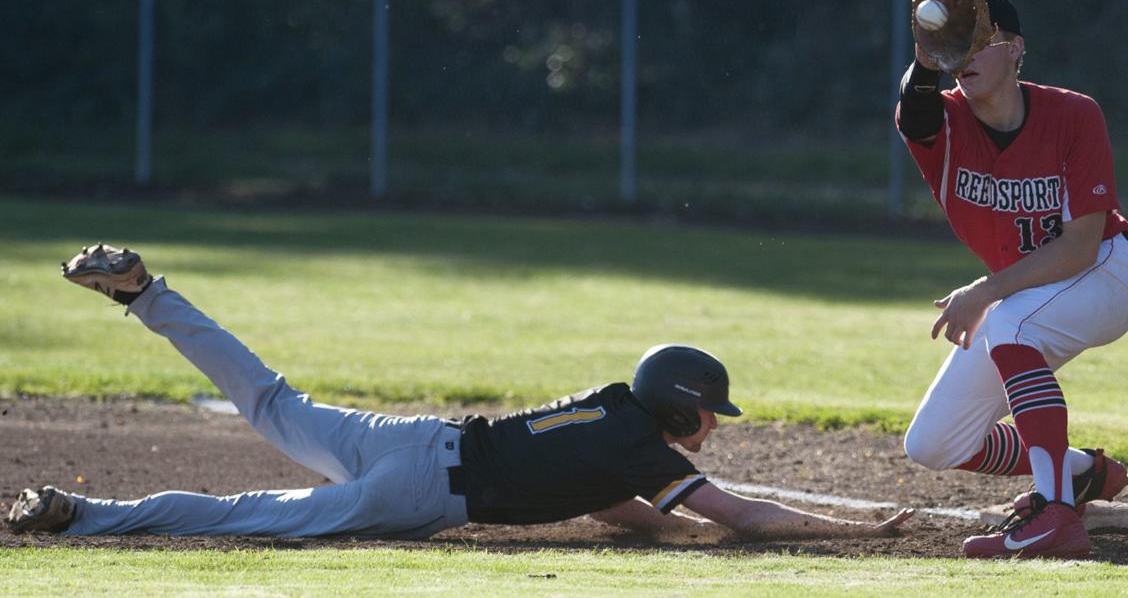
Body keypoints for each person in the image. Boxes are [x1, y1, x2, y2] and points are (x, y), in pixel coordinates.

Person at [6, 243, 913, 541]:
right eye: (710, 409)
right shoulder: (643, 449)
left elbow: (609, 503)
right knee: (252, 515)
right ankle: (84, 513)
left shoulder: (613, 414)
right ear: (679, 405)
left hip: (409, 437)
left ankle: (150, 295)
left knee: (271, 402)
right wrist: (858, 533)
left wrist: (668, 527)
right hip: (419, 489)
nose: (714, 424)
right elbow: (744, 516)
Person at [895, 0, 1128, 558]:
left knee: (1010, 324)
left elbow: (1082, 245)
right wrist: (929, 53)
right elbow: (916, 107)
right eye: (958, 45)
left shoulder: (1073, 114)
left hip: (1107, 272)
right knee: (933, 442)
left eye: (981, 41)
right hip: (1027, 293)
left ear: (1015, 50)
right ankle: (1080, 473)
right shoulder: (944, 123)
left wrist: (984, 292)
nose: (967, 56)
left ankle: (1056, 511)